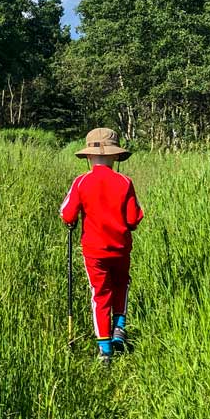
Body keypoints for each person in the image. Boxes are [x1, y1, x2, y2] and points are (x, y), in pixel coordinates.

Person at [60, 127, 143, 365]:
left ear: (88, 156)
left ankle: (105, 350)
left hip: (94, 250)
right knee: (121, 284)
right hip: (121, 248)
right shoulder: (125, 182)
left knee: (100, 294)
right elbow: (134, 218)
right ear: (116, 156)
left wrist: (73, 219)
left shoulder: (81, 182)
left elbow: (67, 214)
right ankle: (119, 327)